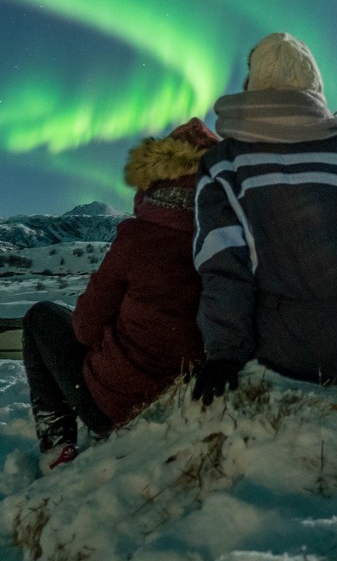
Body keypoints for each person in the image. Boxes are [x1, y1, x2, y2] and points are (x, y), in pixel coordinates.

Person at [191, 32, 337, 404]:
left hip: (281, 349)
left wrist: (224, 351)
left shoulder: (223, 164)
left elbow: (223, 264)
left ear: (254, 85)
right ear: (314, 83)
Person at [22, 117, 217, 470]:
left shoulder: (138, 238)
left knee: (41, 317)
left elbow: (84, 329)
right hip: (186, 403)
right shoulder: (227, 242)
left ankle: (57, 444)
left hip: (118, 407)